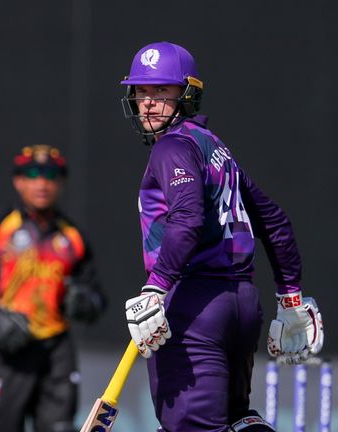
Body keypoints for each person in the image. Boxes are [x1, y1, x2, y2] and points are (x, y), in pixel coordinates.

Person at [119, 41, 324, 432]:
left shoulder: (173, 147)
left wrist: (155, 289)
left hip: (195, 305)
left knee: (190, 427)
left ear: (188, 94)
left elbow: (187, 218)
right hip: (241, 305)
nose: (148, 102)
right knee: (237, 418)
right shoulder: (214, 147)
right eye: (142, 91)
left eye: (162, 91)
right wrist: (291, 297)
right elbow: (275, 221)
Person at [0, 145, 105, 432]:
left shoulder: (72, 237)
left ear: (61, 182)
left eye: (50, 175)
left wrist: (84, 302)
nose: (41, 183)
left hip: (55, 353)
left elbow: (98, 298)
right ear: (18, 181)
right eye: (32, 174)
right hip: (5, 351)